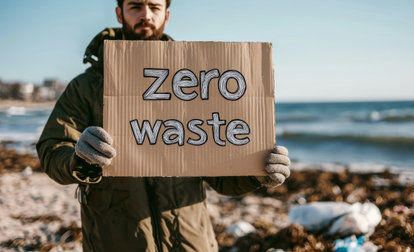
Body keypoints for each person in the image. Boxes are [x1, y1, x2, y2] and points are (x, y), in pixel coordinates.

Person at [36, 0, 291, 251]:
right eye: (135, 6)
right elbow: (52, 149)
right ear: (119, 13)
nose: (145, 14)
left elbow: (221, 174)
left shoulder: (195, 83)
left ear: (166, 15)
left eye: (154, 7)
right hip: (115, 241)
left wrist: (255, 171)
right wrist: (77, 159)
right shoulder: (87, 86)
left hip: (192, 242)